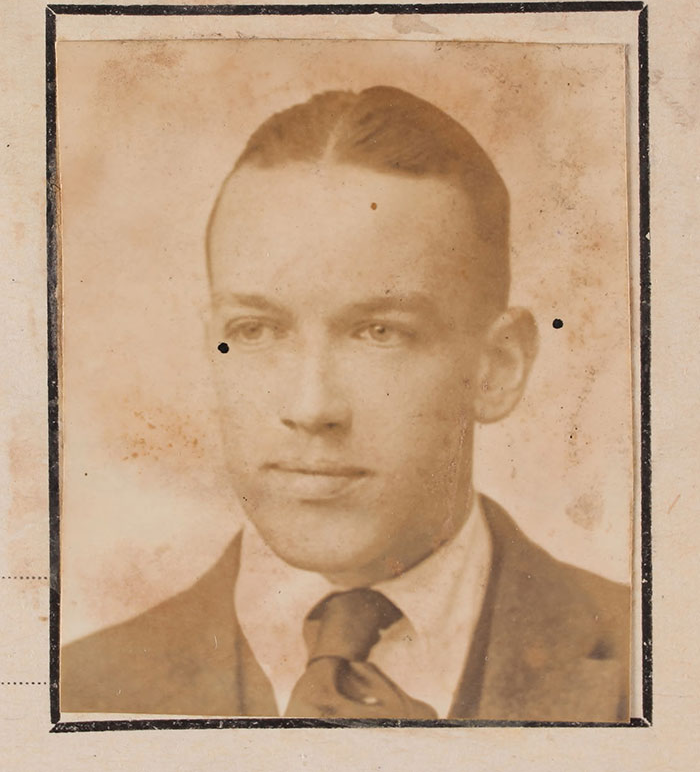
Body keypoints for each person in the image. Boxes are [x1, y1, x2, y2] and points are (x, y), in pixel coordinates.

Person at [61, 86, 630, 722]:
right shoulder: (77, 694)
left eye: (380, 332)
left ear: (497, 368)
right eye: (256, 329)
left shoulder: (661, 664)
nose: (312, 407)